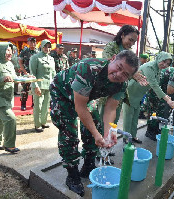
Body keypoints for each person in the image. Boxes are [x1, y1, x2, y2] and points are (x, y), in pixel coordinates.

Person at [50, 50, 139, 196]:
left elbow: (110, 109)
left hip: (86, 97)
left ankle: (89, 164)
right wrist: (97, 134)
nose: (119, 74)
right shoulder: (90, 68)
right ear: (113, 58)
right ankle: (72, 175)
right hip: (63, 94)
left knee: (96, 127)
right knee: (69, 132)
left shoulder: (122, 85)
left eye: (125, 74)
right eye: (119, 67)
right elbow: (80, 107)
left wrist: (107, 133)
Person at [123, 51, 174, 144]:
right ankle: (126, 137)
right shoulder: (149, 67)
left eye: (167, 64)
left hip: (139, 94)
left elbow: (157, 85)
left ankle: (133, 136)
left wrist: (165, 97)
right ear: (159, 58)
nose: (164, 65)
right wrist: (168, 100)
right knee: (128, 116)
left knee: (135, 116)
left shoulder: (158, 69)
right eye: (163, 61)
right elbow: (154, 85)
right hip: (130, 93)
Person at [0, 42, 20, 153]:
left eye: (11, 50)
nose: (10, 52)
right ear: (0, 50)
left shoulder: (10, 64)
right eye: (7, 50)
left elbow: (14, 77)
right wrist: (2, 79)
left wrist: (27, 77)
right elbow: (2, 79)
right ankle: (9, 145)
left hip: (8, 97)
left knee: (1, 120)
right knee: (11, 119)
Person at [29, 39, 56, 132]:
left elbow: (53, 73)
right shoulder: (35, 57)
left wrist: (54, 85)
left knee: (46, 105)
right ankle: (37, 125)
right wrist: (35, 85)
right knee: (38, 106)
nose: (47, 48)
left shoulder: (51, 59)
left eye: (49, 47)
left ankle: (43, 122)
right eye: (45, 46)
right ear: (41, 46)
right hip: (39, 86)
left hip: (48, 86)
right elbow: (32, 73)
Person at [18, 37, 38, 111]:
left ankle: (34, 103)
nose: (32, 43)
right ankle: (23, 104)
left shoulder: (38, 52)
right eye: (31, 42)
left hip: (35, 74)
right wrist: (25, 72)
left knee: (35, 89)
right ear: (28, 43)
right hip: (26, 74)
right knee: (24, 90)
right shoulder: (24, 51)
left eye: (34, 42)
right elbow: (20, 62)